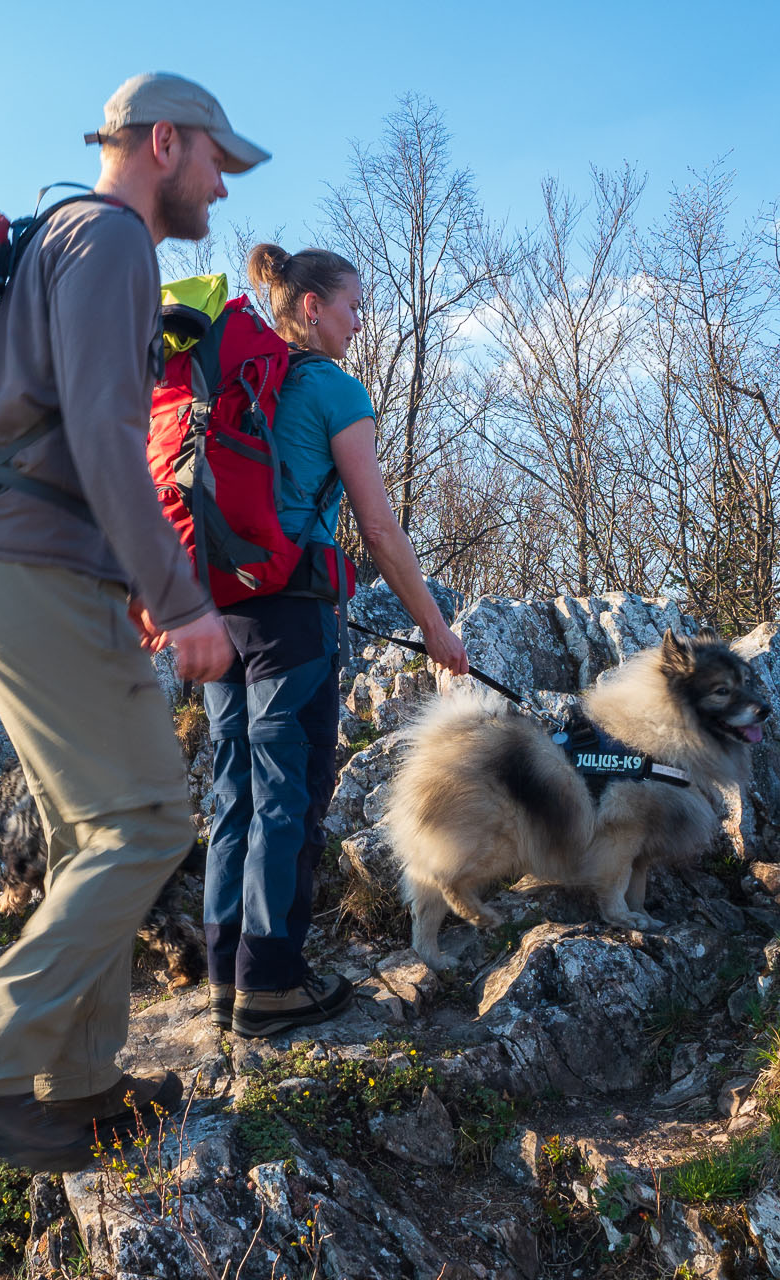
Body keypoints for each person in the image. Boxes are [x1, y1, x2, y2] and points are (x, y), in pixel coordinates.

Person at [0, 73, 266, 1172]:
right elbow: (111, 443)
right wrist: (181, 595)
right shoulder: (113, 241)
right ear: (165, 142)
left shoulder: (58, 234)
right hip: (37, 566)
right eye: (216, 160)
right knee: (148, 818)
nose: (221, 184)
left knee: (89, 831)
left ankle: (84, 1082)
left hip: (0, 565)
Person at [205, 243, 471, 1038]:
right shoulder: (331, 388)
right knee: (290, 791)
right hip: (293, 614)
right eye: (353, 305)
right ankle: (274, 983)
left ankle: (229, 977)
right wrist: (435, 628)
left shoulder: (233, 383)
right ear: (311, 306)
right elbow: (380, 529)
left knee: (234, 789)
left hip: (221, 606)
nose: (361, 322)